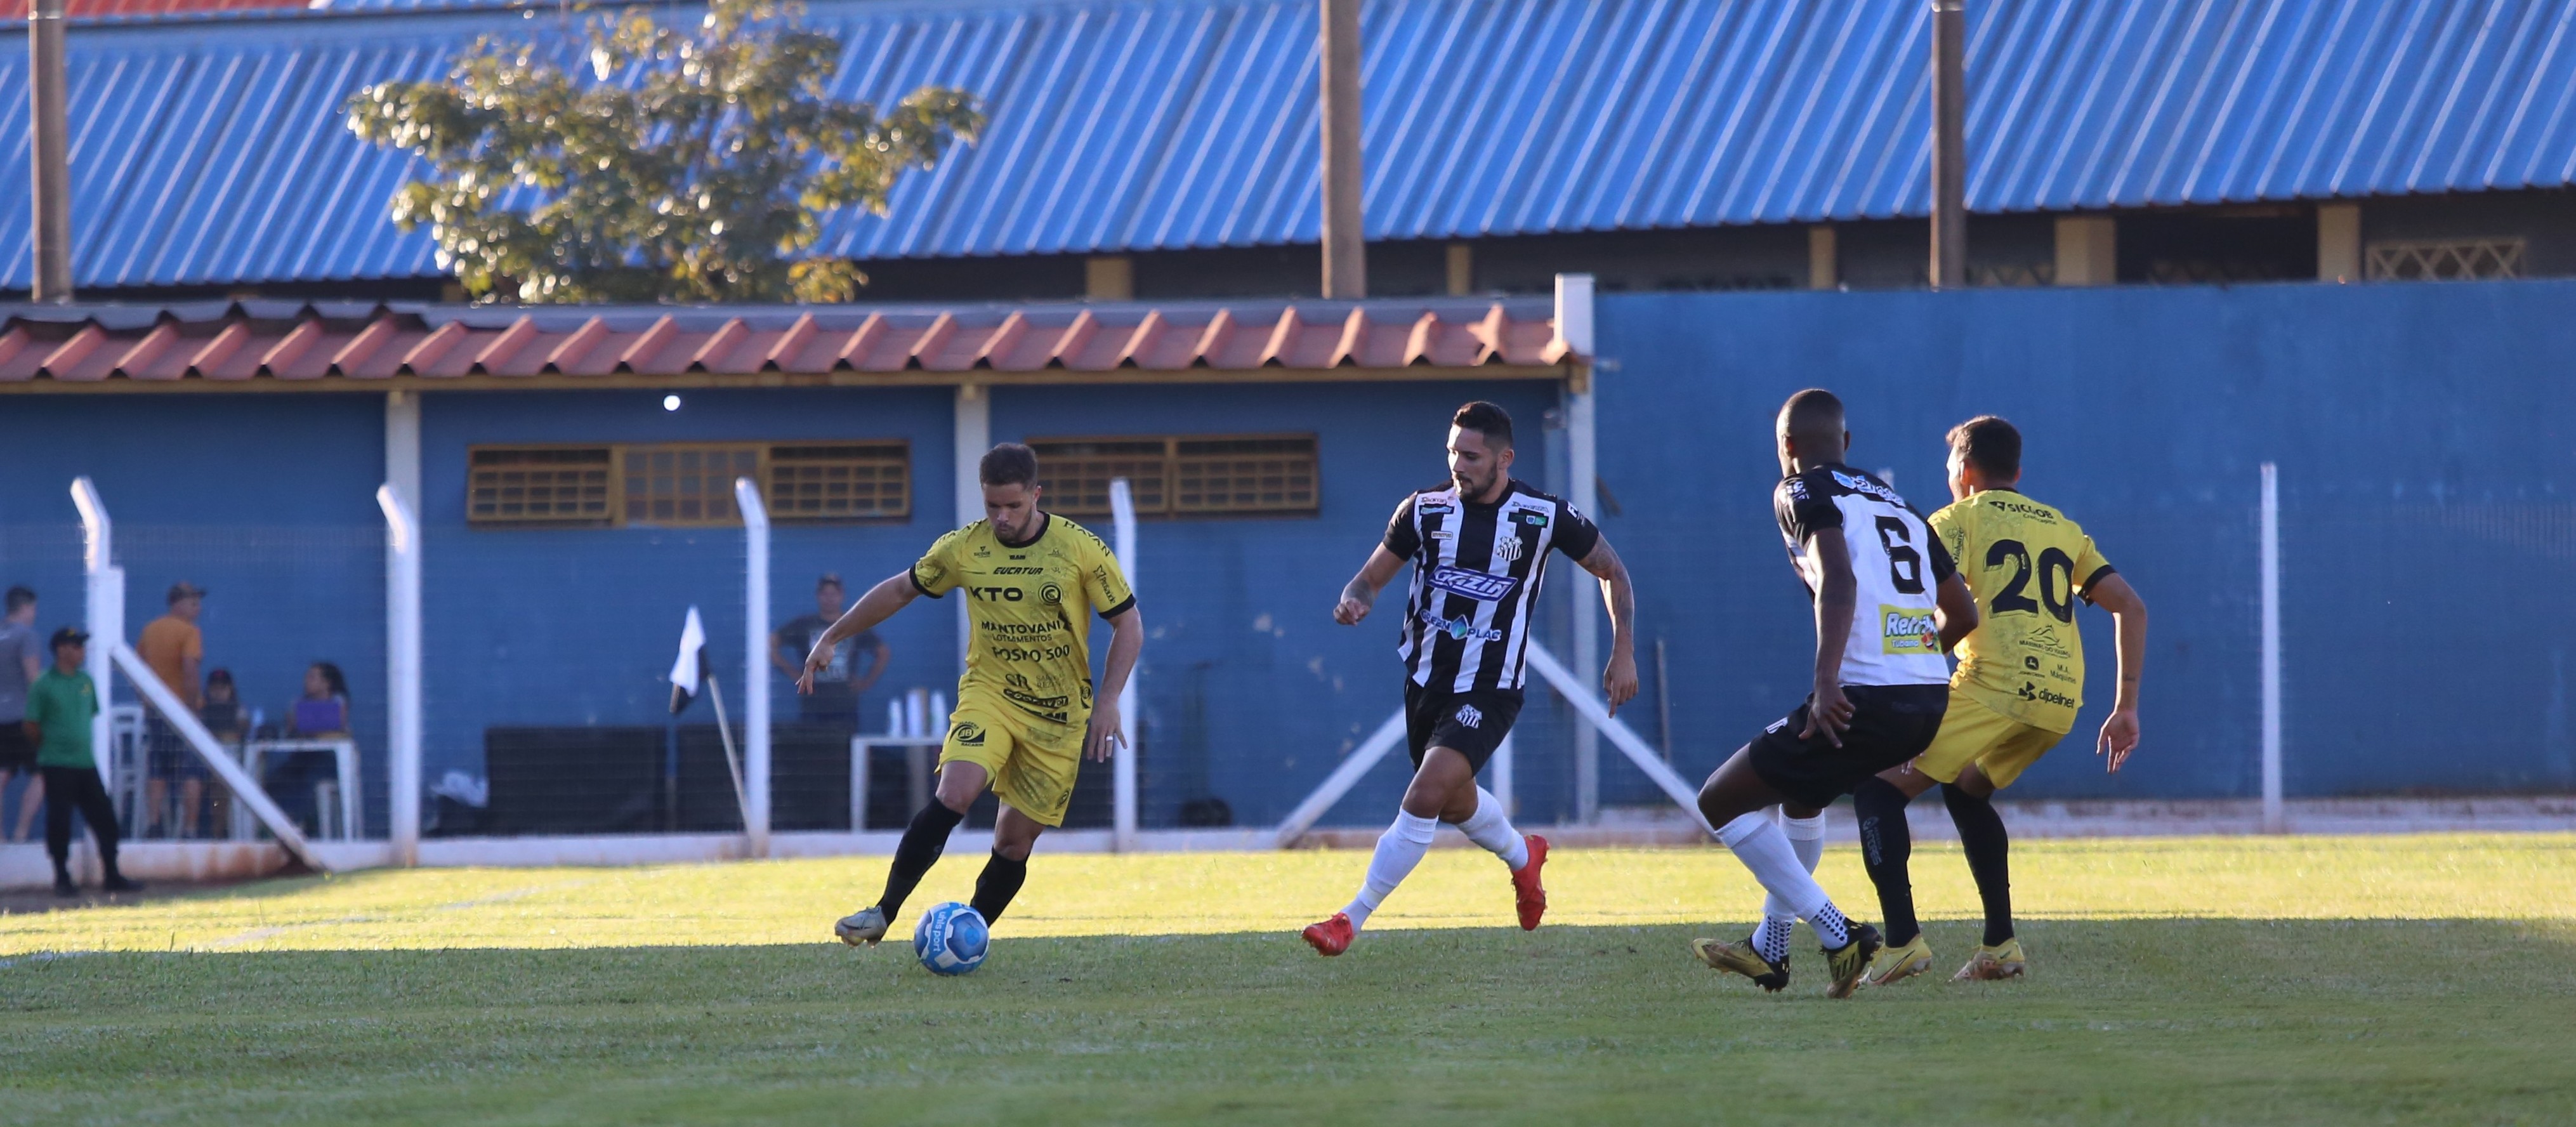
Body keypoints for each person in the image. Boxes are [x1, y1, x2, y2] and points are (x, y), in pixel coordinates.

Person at [1299, 401, 1640, 956]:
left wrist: (1622, 649)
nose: (1459, 463)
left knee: (1426, 793)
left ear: (1504, 458)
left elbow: (1613, 571)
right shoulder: (1424, 510)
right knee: (1455, 804)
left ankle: (1349, 919)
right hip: (1425, 684)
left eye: (1472, 455)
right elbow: (1368, 580)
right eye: (1453, 451)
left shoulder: (1543, 515)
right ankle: (1523, 856)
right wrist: (1353, 601)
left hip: (1491, 687)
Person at [1689, 389, 1977, 998]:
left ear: (1787, 448)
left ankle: (1839, 933)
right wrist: (1918, 665)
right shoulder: (1901, 505)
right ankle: (1770, 949)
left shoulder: (1798, 489)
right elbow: (1964, 613)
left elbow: (1838, 579)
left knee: (1720, 800)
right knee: (1800, 801)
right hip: (1927, 697)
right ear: (1846, 444)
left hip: (1865, 694)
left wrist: (1827, 682)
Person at [803, 443, 1141, 946]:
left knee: (1013, 842)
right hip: (991, 695)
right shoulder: (965, 548)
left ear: (1036, 495)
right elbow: (900, 589)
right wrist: (832, 636)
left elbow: (1128, 625)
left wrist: (1109, 701)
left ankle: (966, 935)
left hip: (1059, 715)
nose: (1002, 519)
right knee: (955, 792)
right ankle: (883, 912)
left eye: (1013, 506)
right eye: (992, 507)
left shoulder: (1079, 549)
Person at [1854, 416, 2148, 985]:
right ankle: (2000, 946)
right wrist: (2127, 706)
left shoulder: (1958, 519)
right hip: (2062, 698)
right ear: (2018, 470)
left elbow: (1924, 602)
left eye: (1949, 471)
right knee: (1968, 791)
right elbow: (2130, 607)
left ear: (1963, 472)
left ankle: (1902, 942)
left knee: (1877, 790)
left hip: (1994, 684)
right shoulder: (2063, 528)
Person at [24, 628, 141, 896]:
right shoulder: (44, 684)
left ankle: (112, 873)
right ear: (62, 650)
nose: (81, 651)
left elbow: (89, 717)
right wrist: (51, 746)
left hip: (85, 763)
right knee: (60, 820)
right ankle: (62, 877)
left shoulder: (85, 682)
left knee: (105, 818)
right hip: (57, 764)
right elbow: (31, 724)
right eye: (76, 646)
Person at [138, 581, 209, 838]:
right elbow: (190, 669)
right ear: (177, 603)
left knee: (158, 767)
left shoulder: (150, 630)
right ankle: (190, 829)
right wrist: (192, 708)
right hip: (181, 709)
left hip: (157, 709)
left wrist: (146, 701)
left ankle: (154, 824)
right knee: (191, 769)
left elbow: (138, 669)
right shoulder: (189, 632)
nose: (197, 608)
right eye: (193, 602)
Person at [772, 574, 888, 728]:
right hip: (813, 706)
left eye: (834, 594)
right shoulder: (804, 625)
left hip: (846, 707)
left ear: (842, 596)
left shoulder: (853, 623)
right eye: (825, 594)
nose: (829, 598)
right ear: (818, 596)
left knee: (845, 750)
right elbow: (770, 644)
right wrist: (793, 673)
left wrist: (866, 682)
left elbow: (883, 653)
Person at [0, 586, 42, 841]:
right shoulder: (26, 636)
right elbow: (33, 678)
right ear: (26, 607)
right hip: (23, 716)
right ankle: (21, 832)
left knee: (2, 773)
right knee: (43, 771)